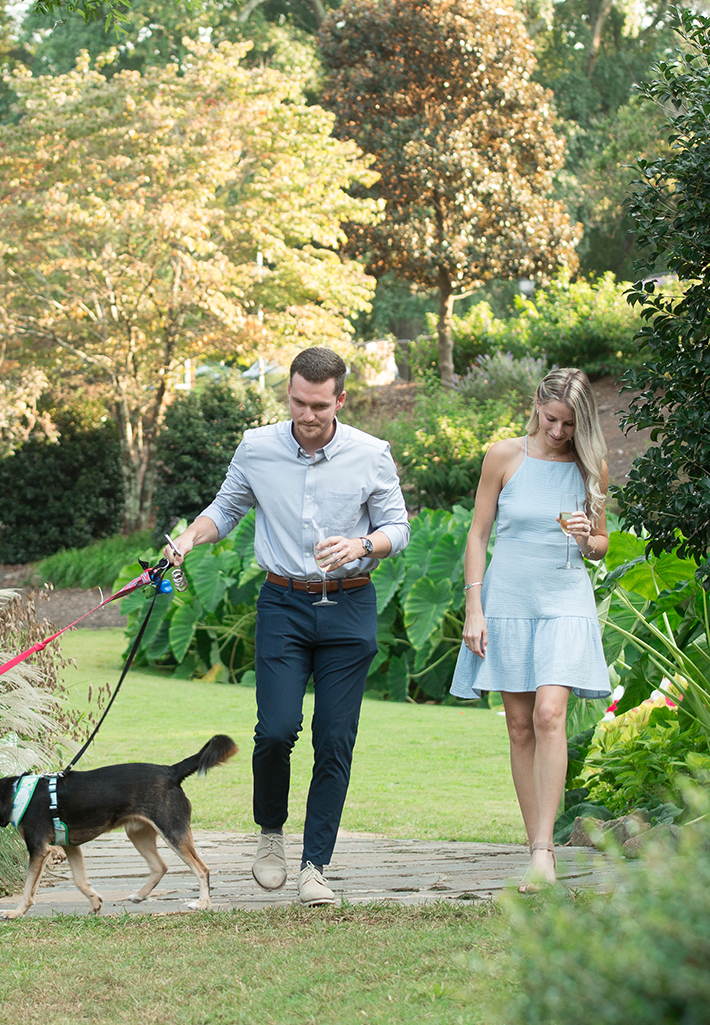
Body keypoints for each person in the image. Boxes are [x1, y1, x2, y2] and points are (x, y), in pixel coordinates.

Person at [163, 347, 410, 906]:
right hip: (283, 603)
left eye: (319, 405)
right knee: (275, 730)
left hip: (350, 606)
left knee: (334, 739)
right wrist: (187, 539)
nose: (307, 415)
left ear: (340, 400)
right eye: (297, 401)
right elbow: (225, 510)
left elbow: (399, 527)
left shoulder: (371, 454)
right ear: (289, 394)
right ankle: (270, 834)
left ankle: (315, 865)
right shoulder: (257, 448)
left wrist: (362, 544)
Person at [451, 366, 612, 888]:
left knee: (549, 713)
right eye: (551, 420)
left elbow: (600, 547)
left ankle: (545, 851)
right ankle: (535, 844)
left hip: (565, 598)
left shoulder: (592, 467)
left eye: (568, 424)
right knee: (519, 726)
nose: (559, 432)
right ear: (536, 407)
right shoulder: (503, 456)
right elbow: (478, 535)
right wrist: (474, 607)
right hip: (507, 599)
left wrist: (590, 535)